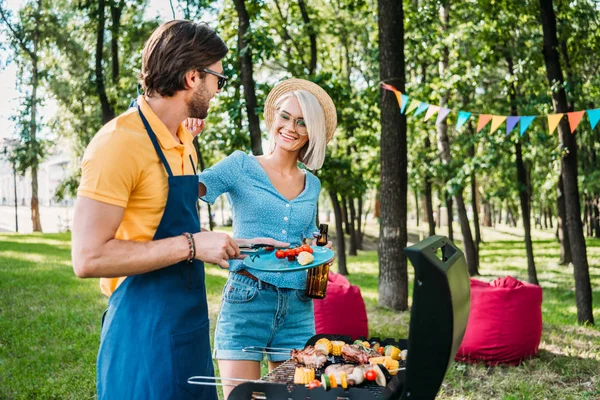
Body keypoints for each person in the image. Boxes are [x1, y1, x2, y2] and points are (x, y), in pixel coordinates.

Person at [71, 21, 286, 400]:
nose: (220, 88)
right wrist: (192, 245)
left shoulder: (182, 138)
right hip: (143, 334)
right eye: (218, 78)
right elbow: (88, 258)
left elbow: (172, 228)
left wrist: (235, 244)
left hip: (187, 329)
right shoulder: (117, 144)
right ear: (192, 77)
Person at [196, 78, 336, 399]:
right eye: (285, 116)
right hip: (247, 299)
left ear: (311, 132)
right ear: (273, 117)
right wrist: (184, 139)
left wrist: (318, 247)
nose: (291, 127)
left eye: (302, 122)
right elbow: (188, 190)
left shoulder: (311, 184)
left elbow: (307, 235)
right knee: (243, 398)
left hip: (298, 308)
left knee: (296, 396)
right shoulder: (241, 166)